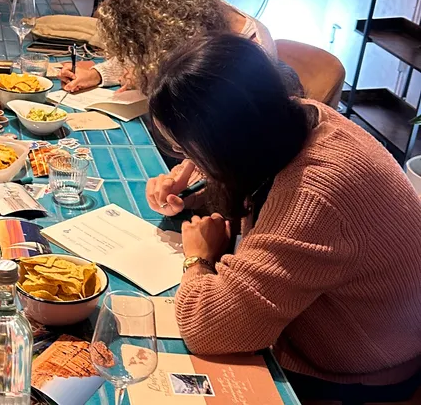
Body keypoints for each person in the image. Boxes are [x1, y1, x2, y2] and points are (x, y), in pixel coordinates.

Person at [144, 33, 421, 402]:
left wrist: (199, 258)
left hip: (363, 366)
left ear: (226, 144)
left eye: (187, 147)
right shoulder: (298, 115)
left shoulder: (314, 196)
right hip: (369, 327)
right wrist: (200, 185)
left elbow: (208, 327)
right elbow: (261, 181)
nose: (184, 159)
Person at [59, 0, 294, 95]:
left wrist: (150, 82)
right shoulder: (196, 22)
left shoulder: (247, 55)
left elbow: (204, 131)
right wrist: (97, 74)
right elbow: (144, 54)